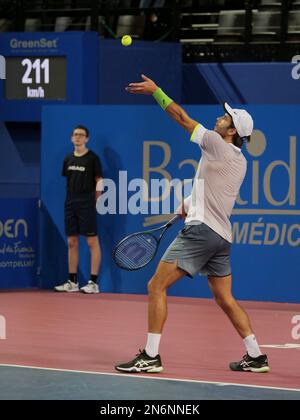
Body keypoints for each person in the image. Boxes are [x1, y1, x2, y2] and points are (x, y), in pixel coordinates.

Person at [115, 75, 270, 374]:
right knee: (224, 297)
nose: (220, 117)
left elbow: (182, 118)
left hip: (201, 232)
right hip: (221, 236)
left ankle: (150, 356)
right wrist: (190, 204)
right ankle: (256, 355)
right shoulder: (238, 160)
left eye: (226, 117)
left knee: (156, 286)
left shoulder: (216, 144)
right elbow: (215, 189)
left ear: (232, 131)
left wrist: (156, 92)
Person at [55, 125, 103, 294]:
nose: (78, 137)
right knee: (72, 242)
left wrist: (96, 199)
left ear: (87, 139)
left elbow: (99, 180)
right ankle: (72, 281)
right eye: (75, 135)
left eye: (81, 135)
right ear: (71, 138)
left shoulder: (92, 158)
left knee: (91, 242)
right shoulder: (68, 159)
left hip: (87, 204)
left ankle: (93, 283)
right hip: (70, 204)